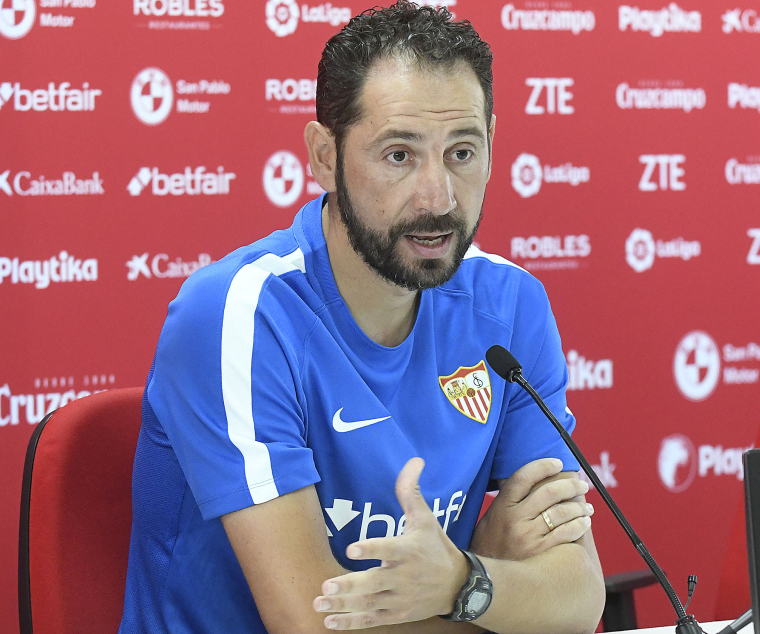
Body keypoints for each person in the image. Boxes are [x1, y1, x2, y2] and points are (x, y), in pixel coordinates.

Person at [118, 2, 605, 633]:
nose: (438, 199)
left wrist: (464, 580)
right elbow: (309, 625)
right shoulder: (238, 313)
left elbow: (577, 598)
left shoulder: (510, 305)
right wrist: (494, 586)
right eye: (399, 155)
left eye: (462, 151)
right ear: (324, 156)